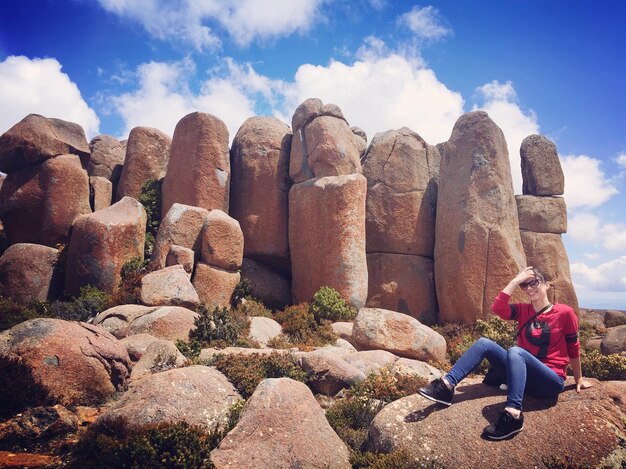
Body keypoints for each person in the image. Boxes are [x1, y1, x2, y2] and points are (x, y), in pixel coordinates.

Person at [418, 266, 592, 440]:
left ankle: (514, 415)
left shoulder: (564, 312)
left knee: (516, 352)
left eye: (534, 282)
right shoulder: (524, 310)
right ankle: (446, 386)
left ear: (546, 285)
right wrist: (515, 281)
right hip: (523, 379)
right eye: (525, 285)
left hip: (549, 381)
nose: (529, 288)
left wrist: (579, 379)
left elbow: (573, 347)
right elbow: (498, 308)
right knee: (484, 343)